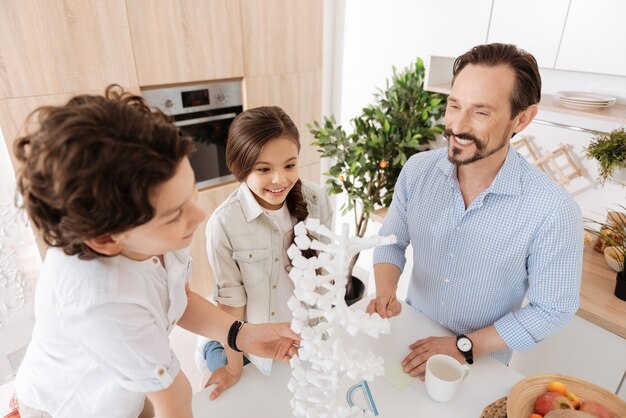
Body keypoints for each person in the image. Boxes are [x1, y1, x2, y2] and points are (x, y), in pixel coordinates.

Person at [12, 86, 300, 418]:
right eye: (175, 214)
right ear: (107, 240)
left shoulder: (160, 233)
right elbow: (174, 399)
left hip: (131, 386)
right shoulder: (102, 301)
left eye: (190, 192)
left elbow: (177, 296)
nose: (198, 215)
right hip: (75, 406)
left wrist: (241, 334)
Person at [366, 43, 583, 377]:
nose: (457, 125)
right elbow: (391, 242)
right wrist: (384, 293)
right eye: (454, 105)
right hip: (410, 340)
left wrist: (462, 346)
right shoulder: (417, 171)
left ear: (521, 119)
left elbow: (552, 310)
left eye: (481, 112)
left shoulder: (552, 210)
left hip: (479, 362)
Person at [196, 106, 332, 399]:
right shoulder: (224, 224)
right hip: (249, 338)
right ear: (239, 166)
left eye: (290, 165)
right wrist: (234, 368)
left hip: (295, 334)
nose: (279, 180)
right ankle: (209, 348)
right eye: (264, 169)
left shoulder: (316, 200)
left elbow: (324, 274)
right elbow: (232, 306)